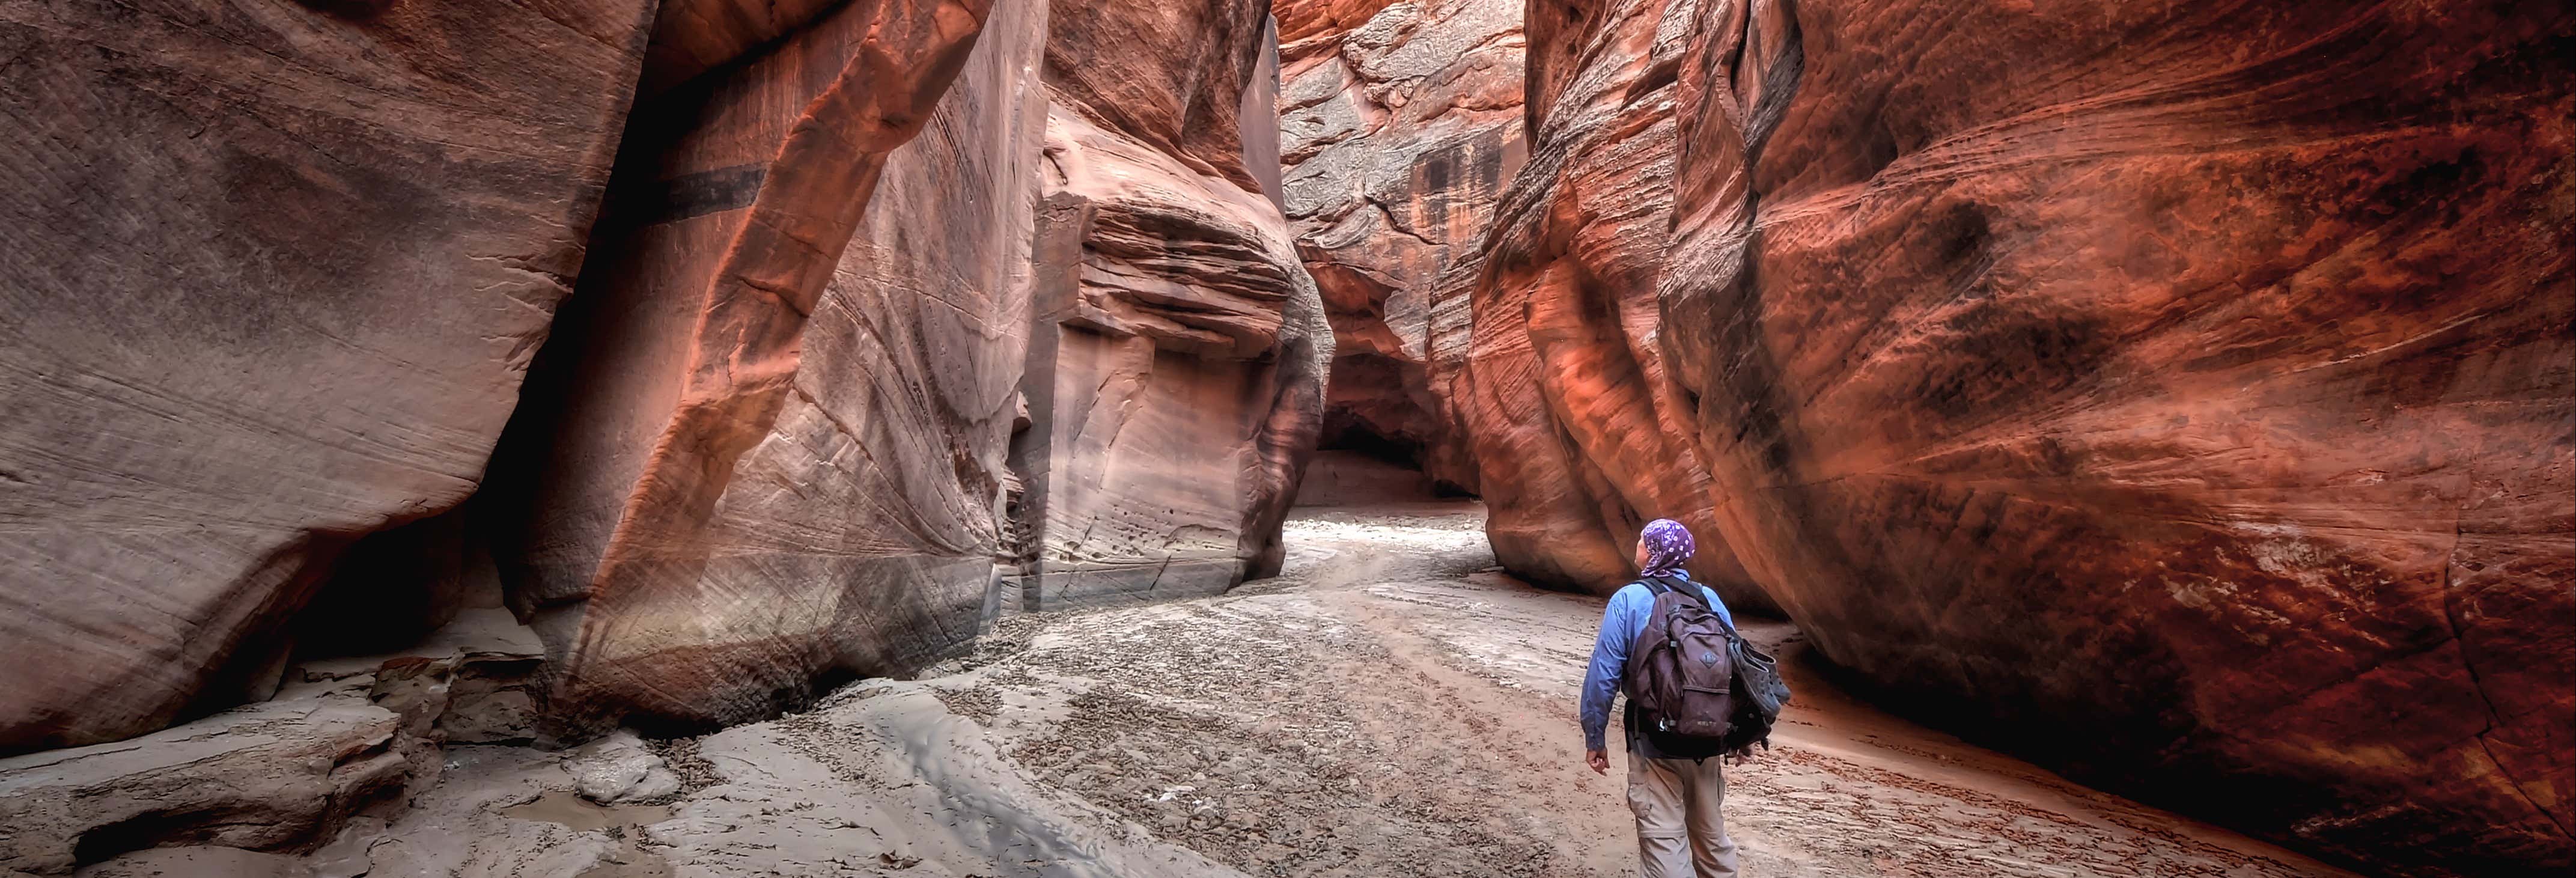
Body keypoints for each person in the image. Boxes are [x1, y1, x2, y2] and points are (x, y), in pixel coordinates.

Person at [1581, 518, 1743, 877]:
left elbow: (1604, 674)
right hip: (1709, 737)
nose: (1636, 543)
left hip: (1653, 739)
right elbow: (1736, 667)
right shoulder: (1709, 598)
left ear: (1653, 550)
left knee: (1664, 841)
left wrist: (1595, 736)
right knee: (1712, 839)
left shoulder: (1629, 599)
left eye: (1643, 539)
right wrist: (1741, 736)